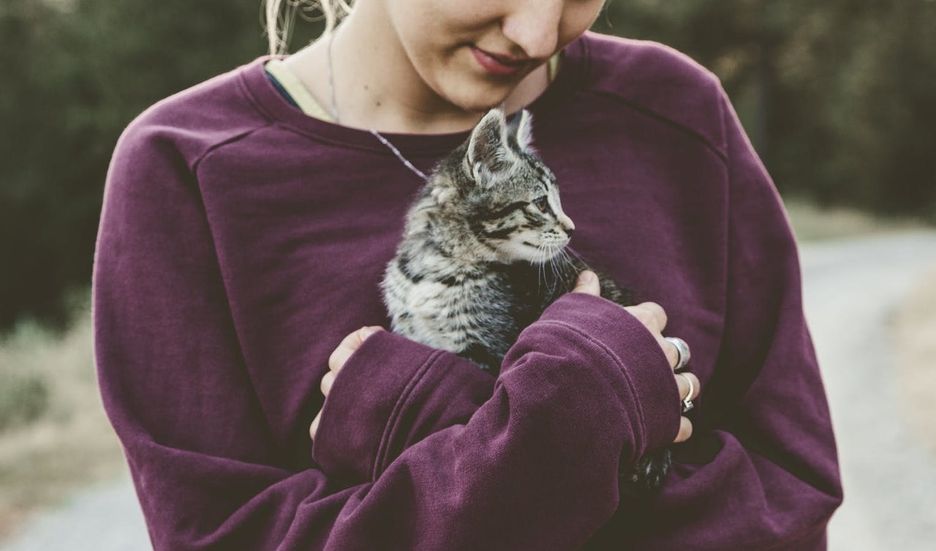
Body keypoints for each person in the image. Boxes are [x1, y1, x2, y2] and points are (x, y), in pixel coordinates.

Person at [92, 0, 843, 549]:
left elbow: (790, 508)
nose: (539, 32)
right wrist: (572, 413)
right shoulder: (185, 169)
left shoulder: (676, 115)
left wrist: (418, 429)